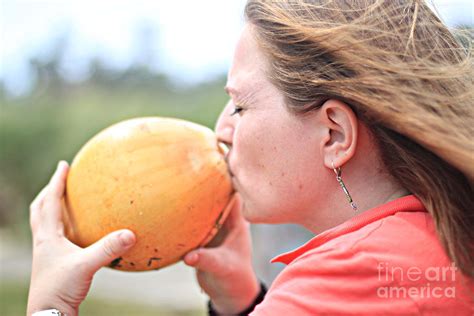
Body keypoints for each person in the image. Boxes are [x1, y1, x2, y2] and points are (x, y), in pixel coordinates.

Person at [27, 0, 473, 315]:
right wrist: (243, 302)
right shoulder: (432, 240)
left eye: (240, 106)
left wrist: (51, 308)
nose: (222, 131)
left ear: (334, 134)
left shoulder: (350, 277)